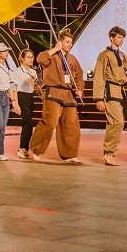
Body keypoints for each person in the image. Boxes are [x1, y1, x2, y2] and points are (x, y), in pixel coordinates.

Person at [28, 28, 84, 164]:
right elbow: (40, 59)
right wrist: (54, 49)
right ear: (60, 42)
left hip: (69, 94)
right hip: (53, 91)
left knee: (71, 125)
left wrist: (80, 89)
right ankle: (35, 149)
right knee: (50, 122)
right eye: (67, 42)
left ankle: (69, 154)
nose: (70, 44)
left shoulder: (73, 59)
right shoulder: (51, 55)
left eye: (71, 42)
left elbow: (79, 77)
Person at [92, 26, 127, 166]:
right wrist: (99, 98)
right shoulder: (104, 55)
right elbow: (99, 76)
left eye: (122, 37)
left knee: (117, 123)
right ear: (111, 38)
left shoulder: (122, 56)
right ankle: (109, 152)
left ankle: (111, 152)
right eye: (118, 37)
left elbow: (123, 74)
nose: (121, 39)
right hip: (109, 90)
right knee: (117, 122)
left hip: (120, 92)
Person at [13, 49, 39, 159]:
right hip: (21, 96)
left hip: (30, 97)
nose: (30, 59)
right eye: (28, 57)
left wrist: (41, 92)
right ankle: (22, 148)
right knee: (28, 122)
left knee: (26, 124)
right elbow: (13, 87)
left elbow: (36, 86)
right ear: (22, 58)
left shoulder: (33, 72)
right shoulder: (18, 71)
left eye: (32, 57)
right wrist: (15, 103)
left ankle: (23, 149)